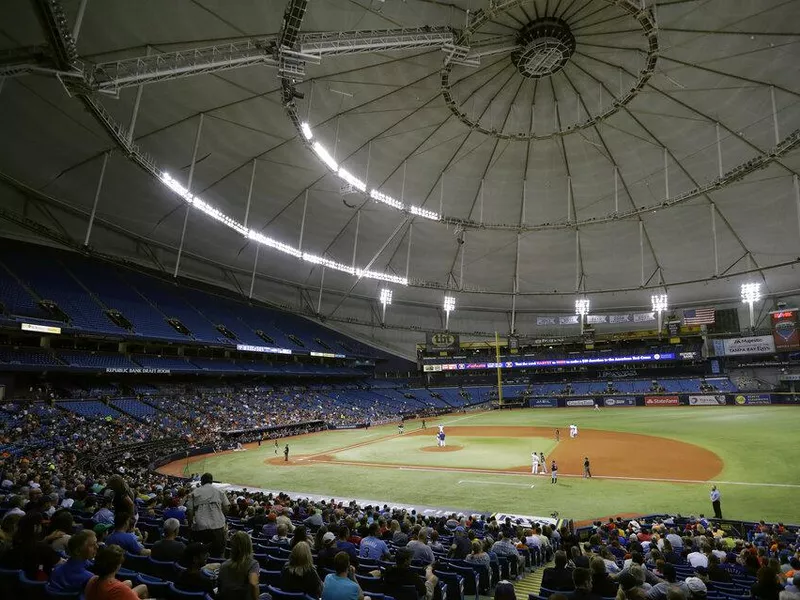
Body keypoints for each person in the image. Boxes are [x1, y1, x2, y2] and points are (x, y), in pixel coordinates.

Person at [185, 472, 230, 557]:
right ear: (211, 481)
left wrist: (190, 525)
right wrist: (220, 515)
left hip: (200, 527)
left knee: (199, 555)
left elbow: (190, 511)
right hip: (218, 527)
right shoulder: (219, 491)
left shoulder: (195, 492)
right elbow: (226, 508)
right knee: (217, 554)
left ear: (201, 481)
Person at [84, 544, 148, 600]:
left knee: (138, 585)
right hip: (116, 593)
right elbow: (120, 591)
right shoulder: (119, 589)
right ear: (117, 566)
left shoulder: (92, 580)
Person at [218, 531, 260, 600]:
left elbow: (220, 586)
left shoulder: (223, 565)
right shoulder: (253, 564)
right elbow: (253, 583)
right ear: (249, 545)